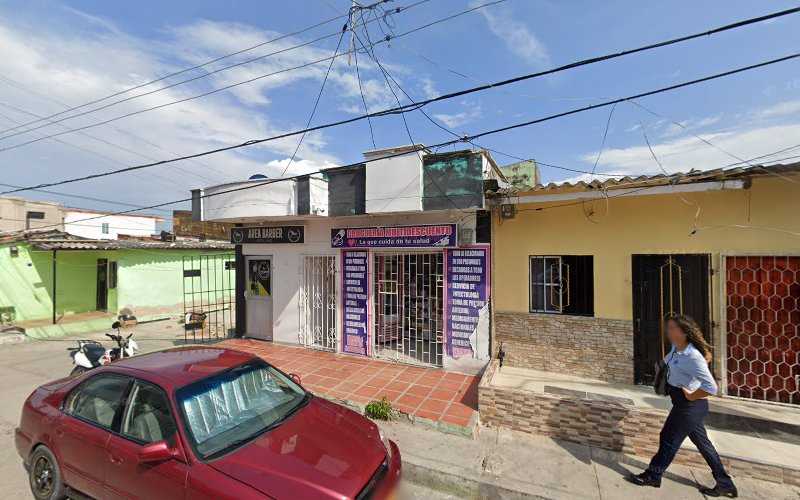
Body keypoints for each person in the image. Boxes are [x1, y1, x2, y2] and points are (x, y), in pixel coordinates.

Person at [627, 315, 737, 498]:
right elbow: (669, 364)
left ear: (684, 333)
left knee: (669, 439)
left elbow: (711, 387)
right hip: (683, 404)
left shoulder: (693, 357)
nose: (668, 331)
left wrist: (692, 395)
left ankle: (653, 475)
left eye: (672, 328)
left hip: (689, 406)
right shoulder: (677, 348)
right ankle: (725, 483)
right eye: (668, 327)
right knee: (704, 444)